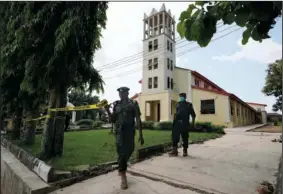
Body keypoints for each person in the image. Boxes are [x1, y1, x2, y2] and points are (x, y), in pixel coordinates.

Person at [104, 87, 144, 190]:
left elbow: (138, 119)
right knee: (122, 153)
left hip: (130, 132)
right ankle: (123, 177)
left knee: (130, 150)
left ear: (127, 93)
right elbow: (112, 119)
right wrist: (107, 110)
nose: (121, 95)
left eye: (123, 93)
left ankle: (122, 167)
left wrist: (141, 134)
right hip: (119, 133)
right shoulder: (116, 105)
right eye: (120, 93)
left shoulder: (133, 104)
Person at [170, 92, 196, 157]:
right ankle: (174, 151)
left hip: (185, 123)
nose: (181, 97)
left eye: (182, 96)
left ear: (185, 97)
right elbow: (176, 113)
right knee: (174, 137)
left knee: (185, 137)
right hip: (177, 123)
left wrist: (192, 124)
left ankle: (185, 151)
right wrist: (174, 120)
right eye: (180, 96)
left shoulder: (189, 105)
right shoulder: (178, 104)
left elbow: (193, 115)